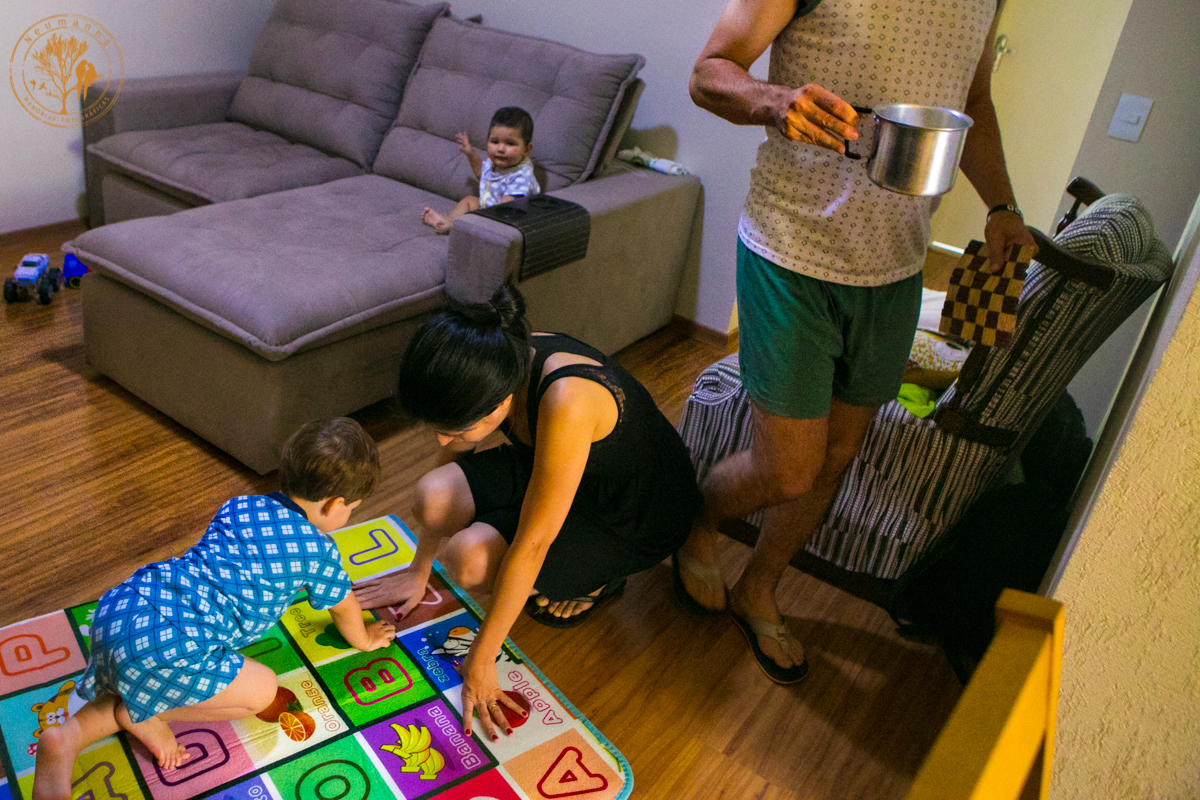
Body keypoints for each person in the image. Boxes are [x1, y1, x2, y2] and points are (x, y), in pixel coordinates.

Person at [678, 0, 1037, 684]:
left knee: (837, 454)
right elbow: (708, 73)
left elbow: (974, 102)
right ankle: (700, 520)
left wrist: (1002, 207)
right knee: (788, 467)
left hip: (896, 267)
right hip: (791, 249)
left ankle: (760, 585)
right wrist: (773, 101)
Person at [353, 282, 701, 742]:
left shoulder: (567, 402)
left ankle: (600, 579)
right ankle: (560, 557)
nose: (440, 440)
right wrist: (418, 572)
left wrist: (482, 656)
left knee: (469, 559)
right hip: (562, 470)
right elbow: (446, 477)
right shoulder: (499, 352)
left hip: (634, 515)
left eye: (452, 428)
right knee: (433, 496)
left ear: (498, 402)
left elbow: (533, 543)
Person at [33, 418, 395, 800]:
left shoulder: (239, 505)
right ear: (335, 504)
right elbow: (343, 605)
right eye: (352, 509)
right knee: (263, 691)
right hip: (170, 647)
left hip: (121, 608)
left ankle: (66, 738)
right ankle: (146, 715)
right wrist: (365, 638)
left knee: (141, 669)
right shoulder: (318, 551)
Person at [421, 106, 541, 234]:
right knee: (468, 201)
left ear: (526, 150)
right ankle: (449, 221)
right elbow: (481, 175)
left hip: (512, 219)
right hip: (491, 210)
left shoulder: (523, 174)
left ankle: (466, 227)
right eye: (495, 142)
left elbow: (506, 205)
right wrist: (470, 154)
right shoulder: (495, 163)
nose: (500, 149)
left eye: (510, 144)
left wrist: (483, 217)